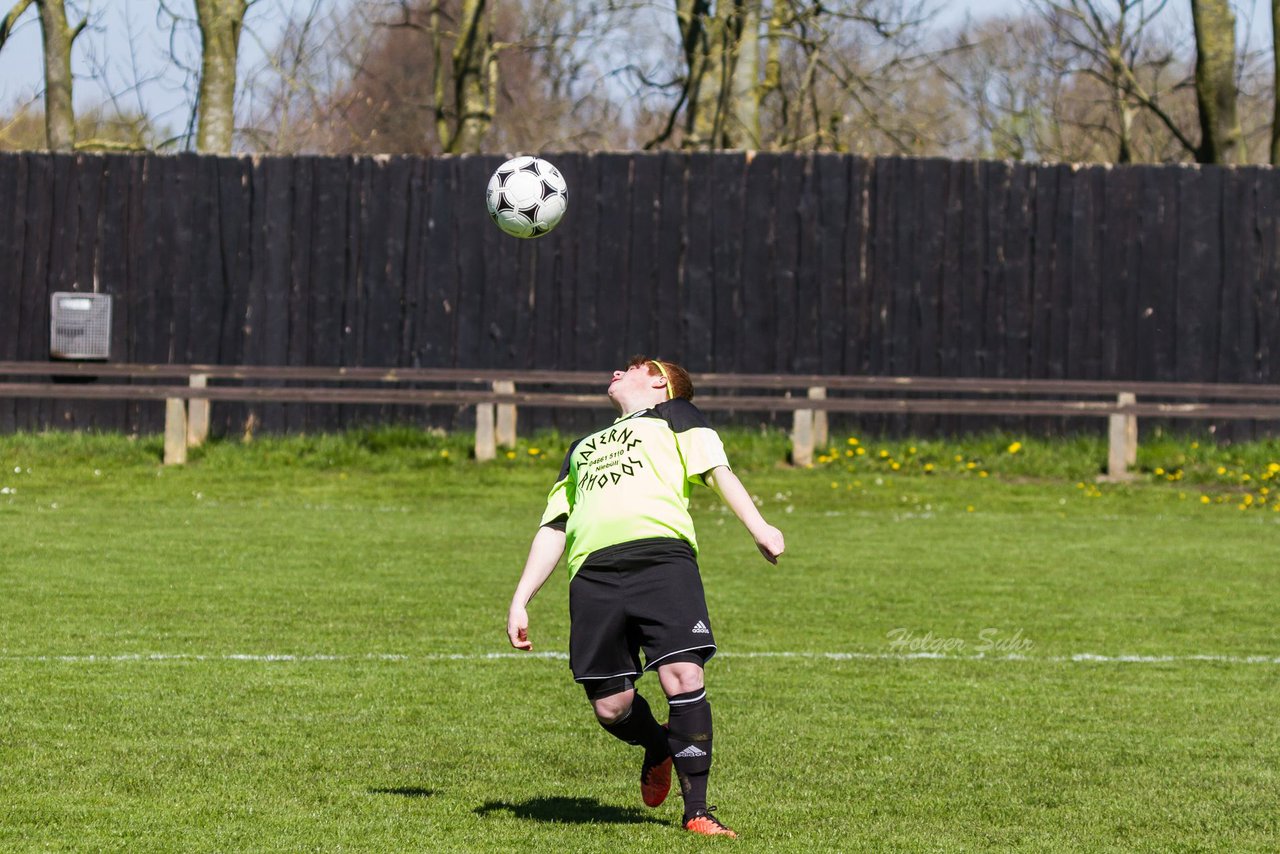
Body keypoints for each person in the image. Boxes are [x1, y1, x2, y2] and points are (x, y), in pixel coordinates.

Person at [506, 355, 785, 838]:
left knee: (683, 673)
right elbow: (554, 525)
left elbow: (717, 470)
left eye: (633, 366)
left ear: (659, 381)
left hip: (661, 562)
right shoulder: (582, 447)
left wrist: (759, 527)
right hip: (591, 575)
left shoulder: (675, 416)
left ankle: (696, 809)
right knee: (610, 707)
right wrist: (521, 598)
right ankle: (657, 746)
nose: (618, 371)